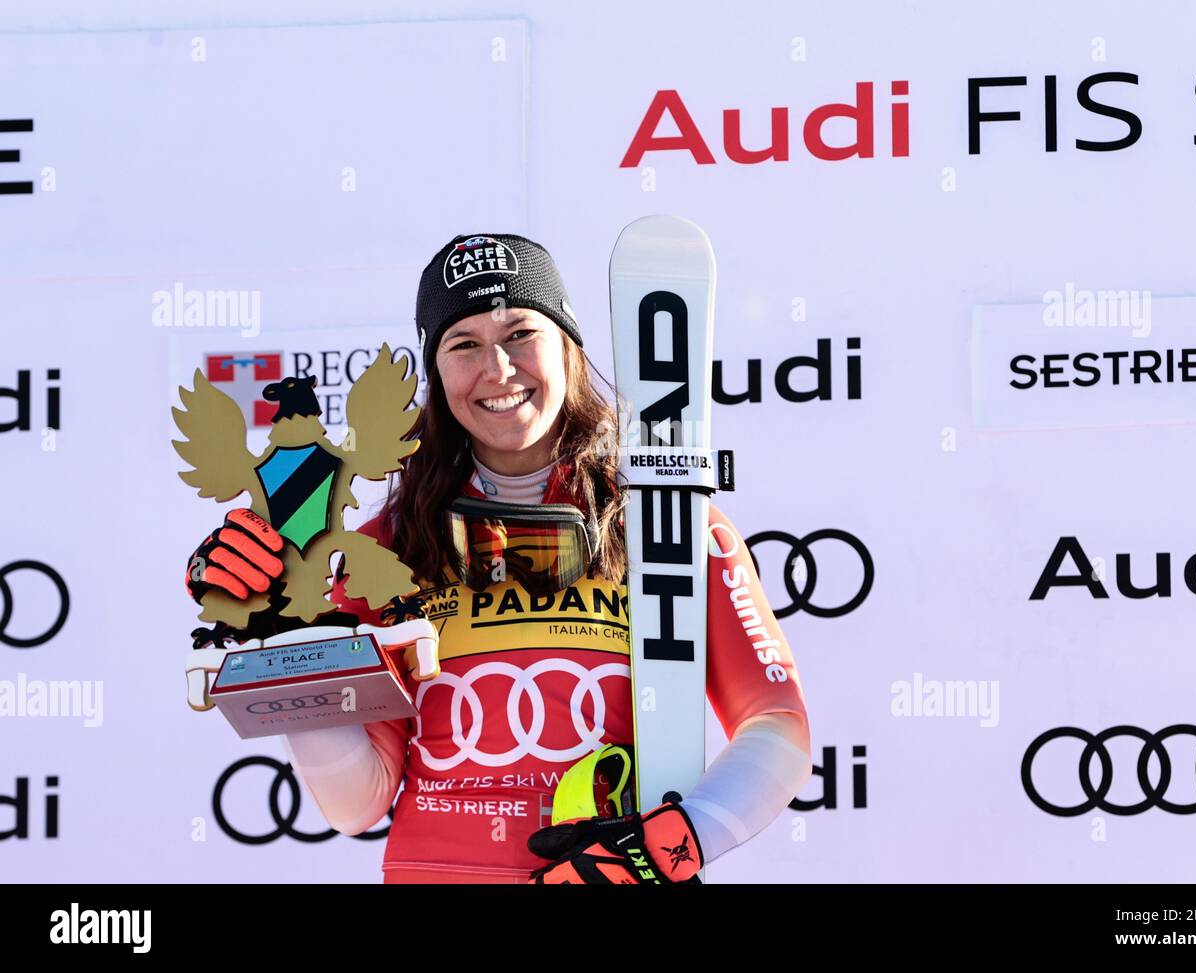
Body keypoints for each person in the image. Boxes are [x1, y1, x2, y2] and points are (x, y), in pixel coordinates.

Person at [185, 232, 812, 883]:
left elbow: (779, 727)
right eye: (464, 344)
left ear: (568, 347)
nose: (499, 368)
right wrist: (288, 638)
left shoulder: (669, 527)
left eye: (519, 333)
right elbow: (356, 800)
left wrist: (663, 849)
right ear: (438, 374)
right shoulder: (387, 548)